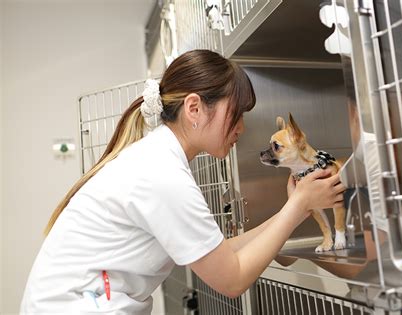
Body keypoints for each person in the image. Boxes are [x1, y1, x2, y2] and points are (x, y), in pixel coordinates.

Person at [20, 49, 345, 314]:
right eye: (238, 113)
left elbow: (219, 254)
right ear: (194, 108)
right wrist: (300, 203)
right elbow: (231, 280)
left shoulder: (157, 160)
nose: (242, 128)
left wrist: (295, 208)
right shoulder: (161, 174)